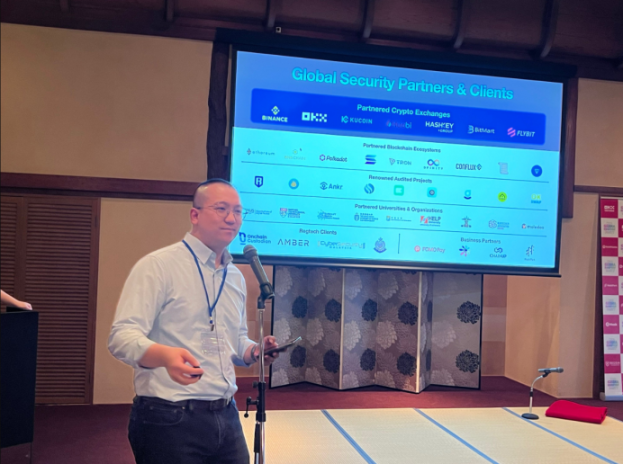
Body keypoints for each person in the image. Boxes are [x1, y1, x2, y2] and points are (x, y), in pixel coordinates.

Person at [108, 179, 279, 464]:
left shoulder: (234, 276)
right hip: (168, 417)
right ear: (195, 215)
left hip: (226, 415)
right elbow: (121, 337)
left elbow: (235, 341)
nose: (231, 218)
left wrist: (254, 351)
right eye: (221, 209)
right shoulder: (159, 266)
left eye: (238, 211)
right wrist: (165, 356)